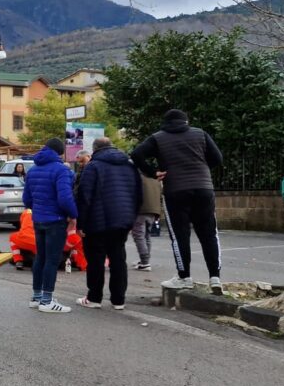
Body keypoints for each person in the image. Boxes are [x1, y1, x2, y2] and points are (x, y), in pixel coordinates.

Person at [130, 109, 223, 293]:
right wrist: (201, 169)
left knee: (180, 235)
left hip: (176, 190)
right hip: (204, 189)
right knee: (209, 234)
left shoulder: (158, 138)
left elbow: (136, 154)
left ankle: (184, 277)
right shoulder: (200, 134)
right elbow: (217, 158)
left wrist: (153, 172)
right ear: (186, 121)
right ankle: (215, 278)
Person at [75, 137, 142, 309]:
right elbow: (138, 194)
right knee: (118, 258)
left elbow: (84, 196)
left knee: (95, 260)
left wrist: (80, 224)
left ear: (94, 149)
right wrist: (131, 218)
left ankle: (94, 298)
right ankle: (119, 300)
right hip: (122, 220)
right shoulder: (130, 165)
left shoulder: (93, 166)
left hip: (96, 222)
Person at [22, 137, 79, 313]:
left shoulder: (32, 170)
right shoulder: (61, 170)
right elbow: (65, 198)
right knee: (52, 260)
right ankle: (47, 301)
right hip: (56, 221)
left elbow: (26, 199)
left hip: (38, 220)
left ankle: (36, 297)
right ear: (60, 153)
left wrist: (39, 209)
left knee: (40, 257)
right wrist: (73, 215)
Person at [131, 173, 162, 271]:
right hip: (153, 210)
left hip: (141, 210)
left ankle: (145, 262)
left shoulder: (136, 176)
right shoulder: (154, 178)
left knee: (139, 236)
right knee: (146, 236)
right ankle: (145, 260)